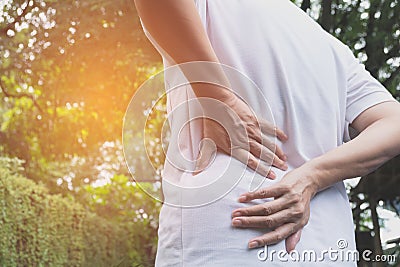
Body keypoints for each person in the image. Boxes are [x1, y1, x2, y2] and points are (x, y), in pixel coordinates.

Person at [133, 0, 400, 266]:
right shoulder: (330, 46)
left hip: (226, 237)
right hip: (329, 247)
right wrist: (314, 176)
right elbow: (393, 122)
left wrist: (220, 97)